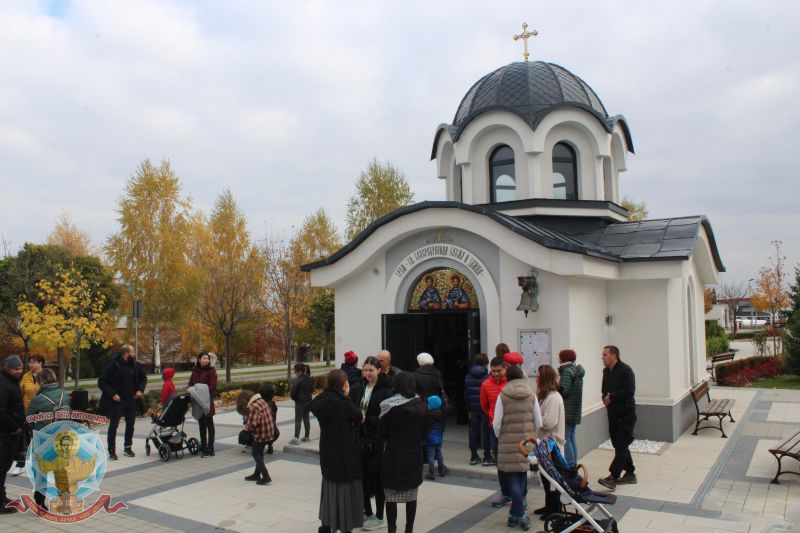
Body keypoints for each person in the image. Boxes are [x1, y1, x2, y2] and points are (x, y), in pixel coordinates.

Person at [311, 369, 364, 533]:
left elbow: (314, 406)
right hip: (345, 454)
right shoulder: (344, 403)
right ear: (345, 384)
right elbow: (359, 417)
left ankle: (327, 525)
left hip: (327, 450)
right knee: (345, 491)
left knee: (329, 488)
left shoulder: (321, 400)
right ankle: (345, 526)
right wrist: (346, 395)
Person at [379, 372, 427, 533]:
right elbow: (425, 431)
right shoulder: (421, 403)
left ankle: (392, 529)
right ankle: (409, 529)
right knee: (411, 497)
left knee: (390, 497)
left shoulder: (389, 406)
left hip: (393, 456)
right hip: (414, 455)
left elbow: (382, 433)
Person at [492, 365, 535, 531]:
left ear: (507, 378)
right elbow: (538, 421)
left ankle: (517, 516)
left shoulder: (502, 396)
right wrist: (530, 434)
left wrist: (501, 437)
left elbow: (496, 423)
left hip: (507, 442)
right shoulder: (531, 394)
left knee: (513, 481)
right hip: (526, 443)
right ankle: (516, 515)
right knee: (521, 476)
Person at [353, 356, 392, 531]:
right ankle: (366, 512)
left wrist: (368, 419)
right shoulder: (358, 388)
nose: (367, 373)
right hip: (361, 439)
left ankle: (379, 515)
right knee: (362, 478)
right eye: (365, 370)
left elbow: (387, 417)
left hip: (377, 441)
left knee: (376, 479)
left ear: (378, 370)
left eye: (371, 370)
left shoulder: (385, 390)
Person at [25, 368, 68, 510]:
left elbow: (28, 418)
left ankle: (40, 503)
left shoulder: (38, 400)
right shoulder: (64, 394)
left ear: (41, 382)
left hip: (43, 438)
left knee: (41, 471)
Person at [98, 344, 147, 460]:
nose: (134, 354)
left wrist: (140, 390)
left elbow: (143, 378)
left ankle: (128, 447)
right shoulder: (112, 366)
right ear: (126, 353)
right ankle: (111, 450)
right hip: (117, 401)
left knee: (130, 425)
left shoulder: (135, 365)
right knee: (113, 426)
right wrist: (113, 394)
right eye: (132, 352)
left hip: (131, 400)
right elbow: (102, 382)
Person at [598, 345, 637, 491]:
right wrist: (605, 398)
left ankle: (613, 477)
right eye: (603, 355)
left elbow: (629, 391)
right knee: (619, 444)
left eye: (605, 355)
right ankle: (631, 473)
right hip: (612, 414)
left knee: (621, 445)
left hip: (626, 415)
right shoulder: (606, 371)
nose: (602, 357)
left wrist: (611, 397)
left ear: (614, 355)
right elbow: (604, 390)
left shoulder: (626, 370)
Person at [535, 364, 566, 519]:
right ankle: (549, 506)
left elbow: (549, 422)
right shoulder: (546, 396)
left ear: (544, 378)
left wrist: (535, 419)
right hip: (545, 444)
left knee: (553, 479)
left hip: (552, 444)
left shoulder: (553, 397)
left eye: (538, 376)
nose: (536, 379)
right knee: (546, 477)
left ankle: (555, 510)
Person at [0, 355, 26, 514]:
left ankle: (2, 497)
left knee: (3, 468)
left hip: (10, 433)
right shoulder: (4, 385)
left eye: (21, 368)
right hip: (4, 434)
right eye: (16, 369)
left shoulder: (11, 382)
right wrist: (13, 427)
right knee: (1, 468)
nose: (19, 371)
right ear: (8, 369)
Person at [12, 354, 44, 477]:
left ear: (41, 363)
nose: (31, 364)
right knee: (23, 438)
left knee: (40, 437)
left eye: (34, 362)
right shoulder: (26, 376)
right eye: (30, 362)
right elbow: (20, 393)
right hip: (27, 411)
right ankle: (20, 464)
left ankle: (42, 463)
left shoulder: (46, 375)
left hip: (42, 412)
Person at [237, 390, 275, 485]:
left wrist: (244, 431)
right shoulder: (260, 401)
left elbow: (252, 424)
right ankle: (256, 474)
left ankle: (266, 476)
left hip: (262, 433)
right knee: (259, 453)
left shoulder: (253, 407)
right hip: (269, 431)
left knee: (255, 453)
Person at [557, 349, 584, 468]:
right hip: (575, 409)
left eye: (559, 357)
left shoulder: (567, 371)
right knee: (572, 437)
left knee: (566, 438)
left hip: (567, 409)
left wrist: (556, 387)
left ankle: (571, 465)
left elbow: (565, 391)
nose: (558, 359)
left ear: (563, 358)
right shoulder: (576, 370)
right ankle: (574, 462)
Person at [479, 356, 507, 466]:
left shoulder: (510, 382)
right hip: (494, 424)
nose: (496, 374)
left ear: (505, 368)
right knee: (496, 448)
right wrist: (492, 415)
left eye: (499, 371)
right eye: (493, 371)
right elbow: (484, 405)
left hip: (509, 423)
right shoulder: (485, 384)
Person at [188, 352, 218, 457]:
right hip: (197, 402)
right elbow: (191, 383)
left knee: (209, 425)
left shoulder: (211, 371)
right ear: (199, 359)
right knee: (201, 426)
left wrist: (201, 392)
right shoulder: (195, 371)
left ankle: (211, 448)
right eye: (204, 358)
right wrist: (191, 390)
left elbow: (212, 387)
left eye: (207, 358)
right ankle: (204, 447)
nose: (206, 360)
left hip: (207, 402)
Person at [464, 352, 489, 465]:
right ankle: (487, 456)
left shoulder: (468, 376)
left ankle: (473, 456)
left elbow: (466, 395)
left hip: (473, 408)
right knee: (486, 432)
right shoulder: (488, 377)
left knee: (473, 432)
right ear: (485, 363)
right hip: (486, 408)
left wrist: (468, 409)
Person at [289, 363, 313, 445]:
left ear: (299, 372)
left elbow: (293, 392)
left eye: (295, 371)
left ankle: (296, 438)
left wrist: (294, 398)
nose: (294, 373)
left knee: (298, 420)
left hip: (300, 402)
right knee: (306, 418)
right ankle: (307, 436)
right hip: (309, 401)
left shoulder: (297, 380)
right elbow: (312, 390)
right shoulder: (309, 378)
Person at [424, 394, 447, 480]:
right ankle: (441, 470)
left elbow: (426, 428)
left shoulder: (428, 416)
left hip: (430, 439)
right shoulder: (441, 415)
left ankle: (431, 473)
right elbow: (443, 427)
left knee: (431, 456)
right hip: (439, 438)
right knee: (439, 453)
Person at [258, 382, 279, 455]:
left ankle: (258, 446)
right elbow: (274, 419)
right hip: (273, 432)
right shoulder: (273, 404)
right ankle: (270, 445)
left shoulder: (258, 404)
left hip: (260, 433)